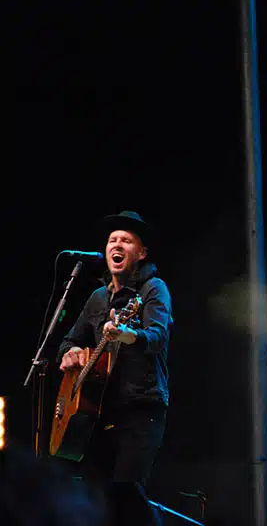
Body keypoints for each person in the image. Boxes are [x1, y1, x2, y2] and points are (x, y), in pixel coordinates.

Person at [56, 211, 173, 526]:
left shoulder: (153, 289)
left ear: (141, 252)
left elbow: (157, 337)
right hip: (99, 413)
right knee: (95, 499)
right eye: (112, 240)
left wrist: (128, 334)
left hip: (140, 408)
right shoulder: (97, 298)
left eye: (126, 240)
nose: (116, 245)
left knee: (127, 495)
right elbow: (68, 342)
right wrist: (70, 354)